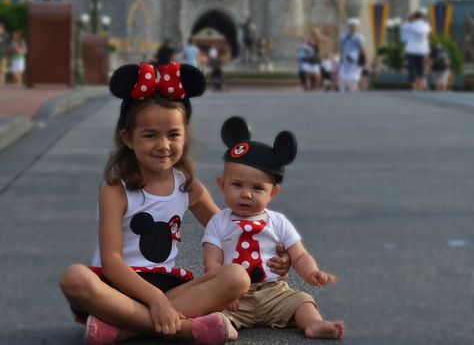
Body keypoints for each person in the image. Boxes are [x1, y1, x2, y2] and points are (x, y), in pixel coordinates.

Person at [60, 62, 251, 344]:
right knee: (74, 278)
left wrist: (275, 254)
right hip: (117, 287)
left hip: (167, 285)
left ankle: (126, 329)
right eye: (150, 135)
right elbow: (112, 262)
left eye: (173, 134)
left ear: (184, 136)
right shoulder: (116, 190)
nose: (163, 145)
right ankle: (184, 329)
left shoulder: (188, 186)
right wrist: (155, 300)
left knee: (236, 277)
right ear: (127, 138)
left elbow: (228, 231)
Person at [202, 116, 344, 340]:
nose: (246, 194)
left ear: (273, 193)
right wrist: (222, 291)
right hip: (235, 296)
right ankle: (224, 328)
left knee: (302, 301)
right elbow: (212, 262)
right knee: (214, 310)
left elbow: (299, 254)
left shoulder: (277, 221)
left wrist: (311, 272)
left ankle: (314, 324)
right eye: (237, 185)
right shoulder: (218, 222)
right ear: (221, 185)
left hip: (274, 291)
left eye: (257, 188)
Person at [401, 10, 431, 91]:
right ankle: (421, 85)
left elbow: (403, 31)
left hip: (411, 49)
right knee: (421, 68)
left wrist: (409, 19)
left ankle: (414, 85)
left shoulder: (410, 26)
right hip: (422, 50)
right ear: (422, 17)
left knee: (412, 68)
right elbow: (428, 31)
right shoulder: (426, 26)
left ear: (414, 17)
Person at [338, 18, 366, 92]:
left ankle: (343, 88)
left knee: (344, 71)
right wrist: (364, 57)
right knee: (354, 72)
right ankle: (353, 89)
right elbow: (362, 47)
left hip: (346, 55)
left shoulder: (343, 35)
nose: (353, 27)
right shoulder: (359, 36)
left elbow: (341, 47)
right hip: (354, 56)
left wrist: (341, 56)